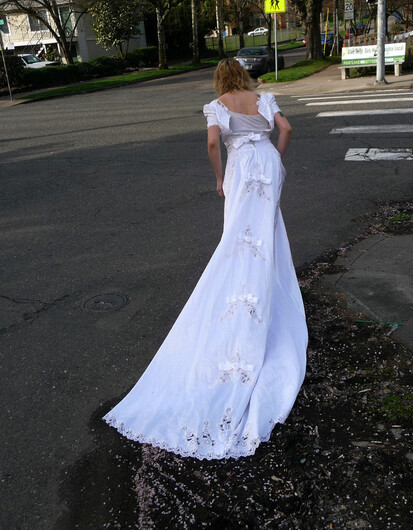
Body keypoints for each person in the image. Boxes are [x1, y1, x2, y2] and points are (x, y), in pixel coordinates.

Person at [103, 58, 308, 460]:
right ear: (244, 77)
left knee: (237, 238)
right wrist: (276, 157)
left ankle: (238, 295)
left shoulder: (217, 105)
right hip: (266, 162)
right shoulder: (263, 97)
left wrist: (218, 176)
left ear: (219, 80)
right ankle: (267, 294)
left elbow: (214, 143)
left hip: (242, 168)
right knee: (265, 237)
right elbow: (286, 129)